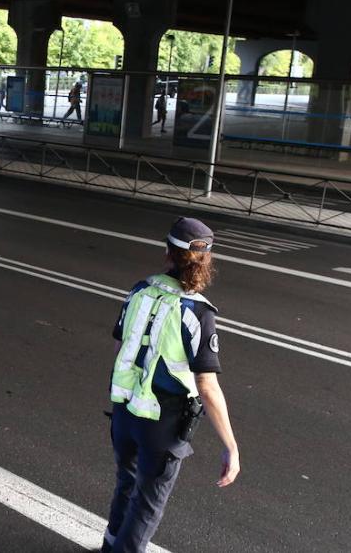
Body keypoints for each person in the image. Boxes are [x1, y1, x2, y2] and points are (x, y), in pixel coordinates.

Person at [102, 217, 239, 553]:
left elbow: (122, 349)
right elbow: (206, 385)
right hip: (162, 424)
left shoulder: (139, 291)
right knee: (147, 505)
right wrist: (231, 447)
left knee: (127, 485)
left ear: (167, 252)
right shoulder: (197, 311)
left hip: (124, 410)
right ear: (206, 260)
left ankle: (108, 547)